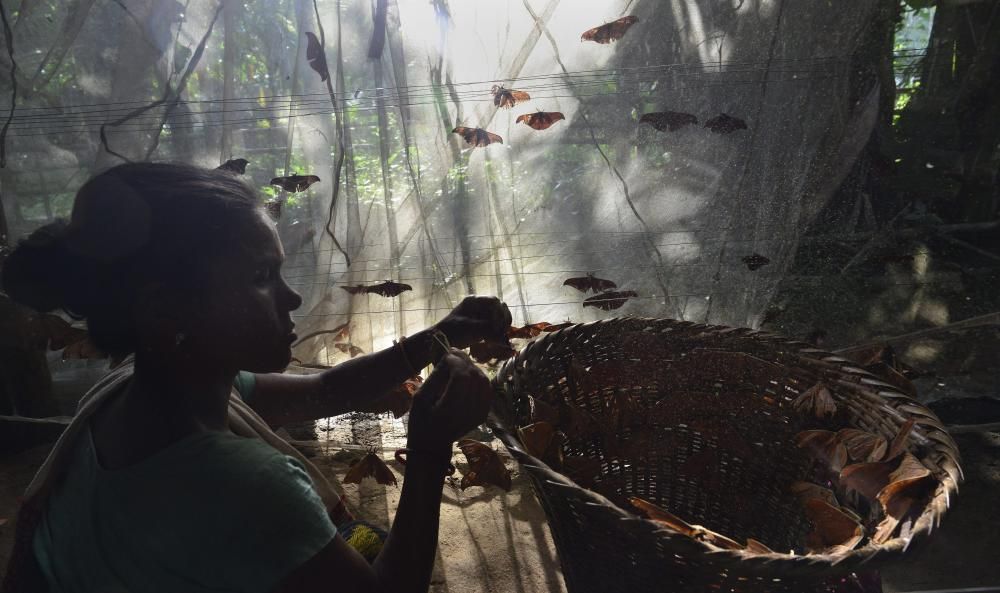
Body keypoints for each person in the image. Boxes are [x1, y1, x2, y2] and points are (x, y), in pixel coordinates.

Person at [0, 162, 512, 593]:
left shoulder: (139, 394)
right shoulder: (242, 484)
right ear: (163, 309)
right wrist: (428, 450)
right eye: (260, 278)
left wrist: (438, 335)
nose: (292, 299)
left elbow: (324, 390)